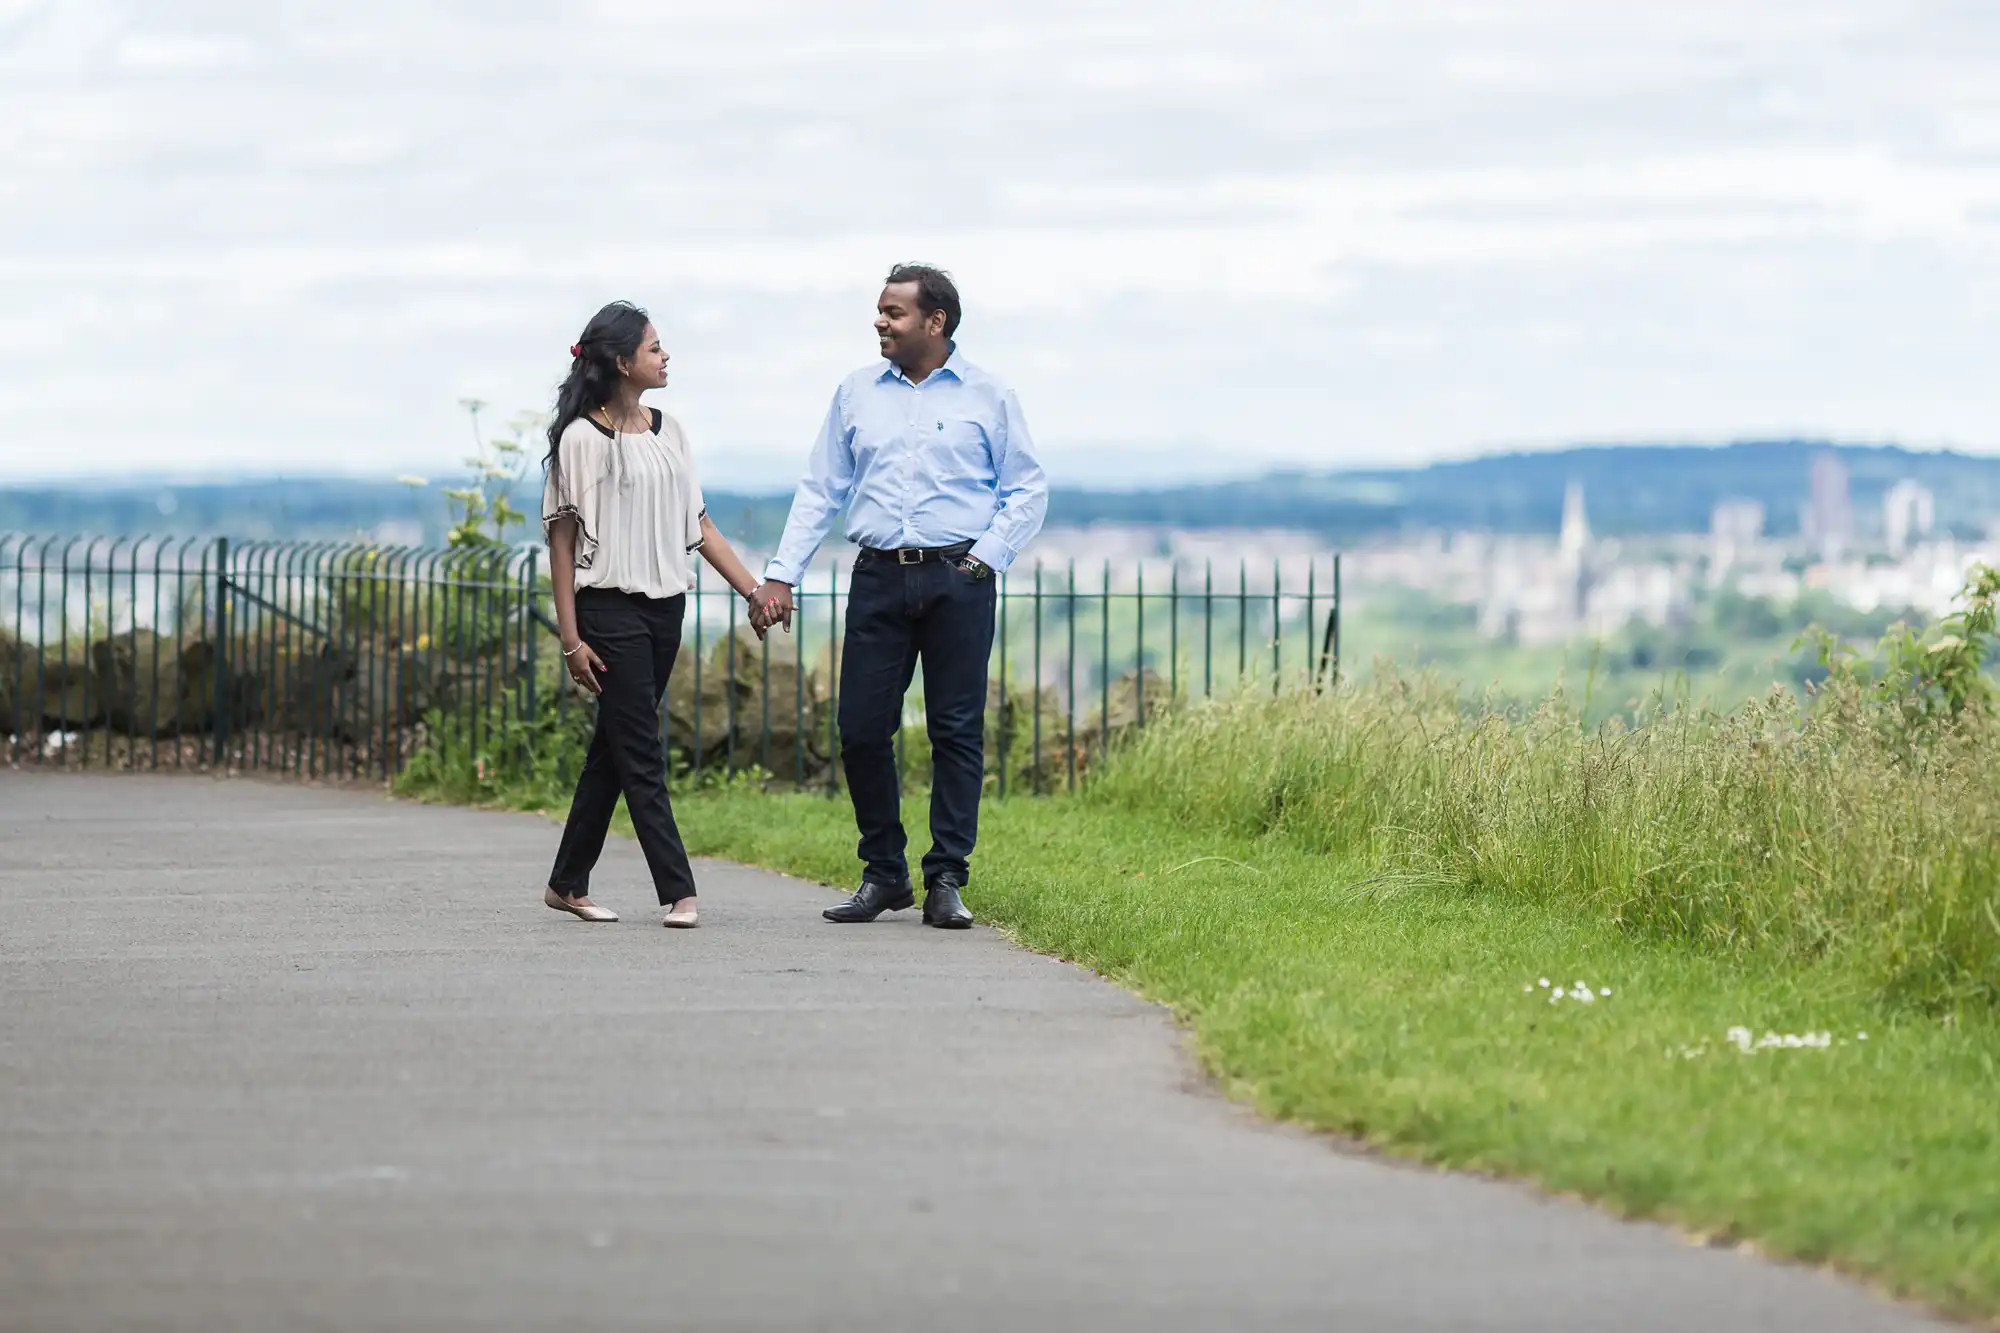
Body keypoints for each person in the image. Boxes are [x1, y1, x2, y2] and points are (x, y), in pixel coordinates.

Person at [751, 264, 1048, 929]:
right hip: (879, 576)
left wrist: (983, 560)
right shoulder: (856, 392)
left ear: (935, 321)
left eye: (895, 312)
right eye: (880, 311)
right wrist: (781, 573)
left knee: (955, 730)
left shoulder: (989, 395)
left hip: (959, 579)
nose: (881, 322)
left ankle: (946, 878)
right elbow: (821, 488)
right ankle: (884, 872)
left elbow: (1027, 489)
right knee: (859, 727)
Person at [541, 301, 765, 928]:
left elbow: (699, 524)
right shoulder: (581, 440)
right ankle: (679, 890)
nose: (665, 357)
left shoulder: (672, 431)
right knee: (640, 749)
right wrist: (570, 637)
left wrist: (753, 591)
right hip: (608, 610)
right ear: (621, 361)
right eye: (654, 348)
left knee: (613, 750)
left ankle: (566, 883)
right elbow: (561, 540)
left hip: (667, 609)